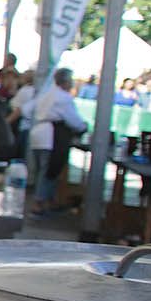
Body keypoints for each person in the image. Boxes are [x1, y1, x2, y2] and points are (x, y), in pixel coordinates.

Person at [30, 67, 89, 215]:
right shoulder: (63, 97)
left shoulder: (47, 93)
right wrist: (84, 127)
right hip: (51, 136)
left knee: (43, 170)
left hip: (38, 133)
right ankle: (39, 202)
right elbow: (74, 120)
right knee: (49, 170)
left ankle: (48, 199)